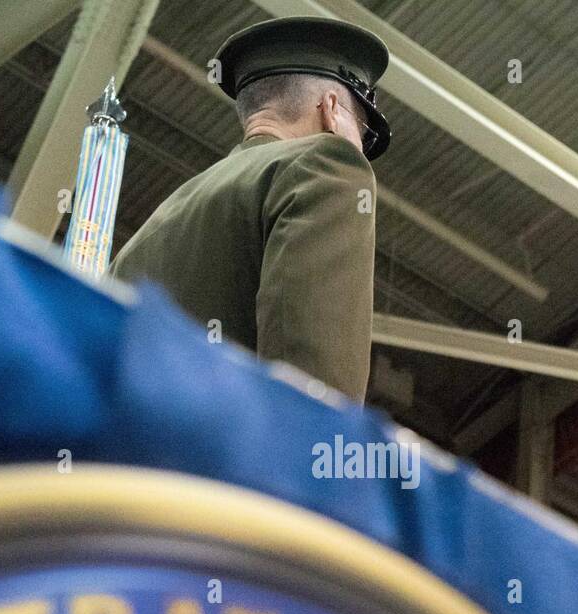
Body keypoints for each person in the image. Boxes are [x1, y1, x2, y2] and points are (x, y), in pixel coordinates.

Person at [113, 16, 390, 402]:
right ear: (332, 110)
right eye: (364, 134)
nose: (360, 151)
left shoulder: (153, 228)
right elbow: (312, 398)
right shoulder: (327, 166)